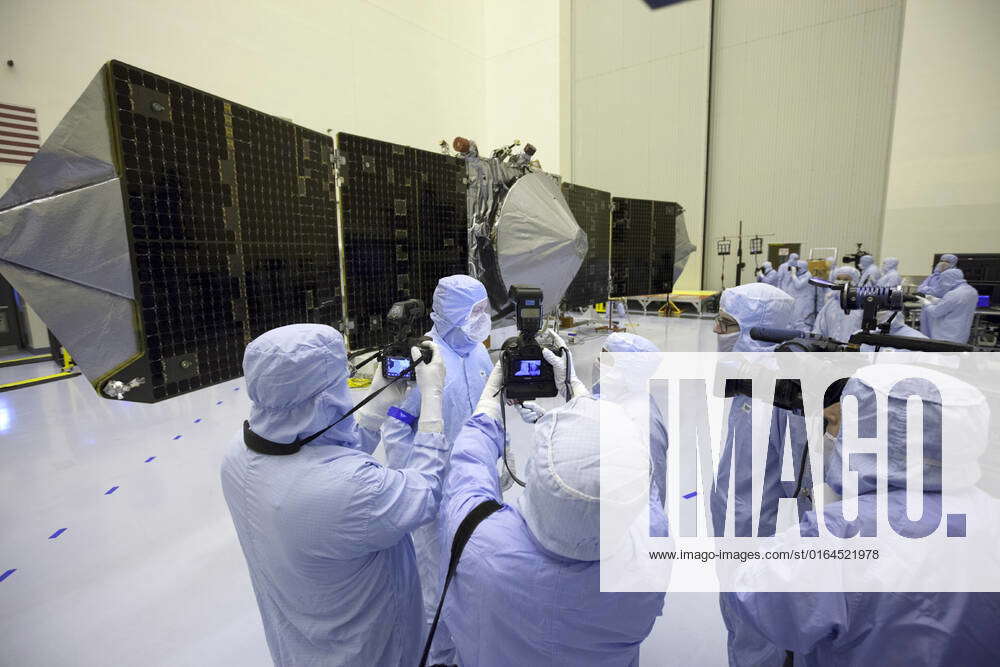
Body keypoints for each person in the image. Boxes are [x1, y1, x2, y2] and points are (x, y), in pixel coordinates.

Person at [722, 367, 1000, 665]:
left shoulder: (840, 535)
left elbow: (756, 600)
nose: (832, 434)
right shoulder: (991, 516)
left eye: (837, 423)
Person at [220, 324, 448, 666]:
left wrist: (372, 414)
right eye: (341, 383)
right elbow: (425, 491)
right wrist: (433, 402)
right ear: (326, 400)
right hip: (368, 652)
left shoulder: (236, 456)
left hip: (301, 647)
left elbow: (314, 452)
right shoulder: (355, 489)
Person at [439, 347, 666, 666]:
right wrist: (579, 397)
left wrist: (487, 409)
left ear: (540, 476)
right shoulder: (649, 557)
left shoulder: (482, 546)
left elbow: (467, 471)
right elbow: (636, 479)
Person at [379, 274, 493, 664]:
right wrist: (415, 482)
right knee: (435, 585)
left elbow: (486, 408)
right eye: (475, 311)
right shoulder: (425, 358)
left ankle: (467, 646)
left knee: (472, 573)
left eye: (484, 309)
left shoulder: (478, 351)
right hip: (436, 495)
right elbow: (395, 426)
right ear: (453, 313)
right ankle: (438, 657)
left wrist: (501, 452)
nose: (484, 318)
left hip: (478, 486)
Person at [713, 283, 809, 667]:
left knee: (757, 620)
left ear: (758, 327)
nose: (716, 332)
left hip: (757, 542)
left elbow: (805, 486)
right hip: (737, 532)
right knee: (740, 615)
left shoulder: (785, 390)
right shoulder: (748, 377)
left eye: (726, 323)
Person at [917, 268, 979, 343]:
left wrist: (926, 303)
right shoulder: (972, 291)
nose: (942, 284)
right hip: (961, 334)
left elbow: (935, 312)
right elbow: (954, 305)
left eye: (942, 280)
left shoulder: (953, 294)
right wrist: (935, 300)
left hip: (947, 335)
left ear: (949, 279)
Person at [813, 266, 862, 342]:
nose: (841, 281)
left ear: (854, 281)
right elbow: (819, 328)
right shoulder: (830, 304)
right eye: (838, 279)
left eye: (846, 279)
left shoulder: (861, 306)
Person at [785, 259, 816, 330]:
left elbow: (798, 285)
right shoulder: (797, 275)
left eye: (797, 267)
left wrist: (793, 275)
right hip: (795, 300)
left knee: (800, 321)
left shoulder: (808, 275)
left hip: (803, 301)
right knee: (792, 319)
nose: (796, 269)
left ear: (802, 268)